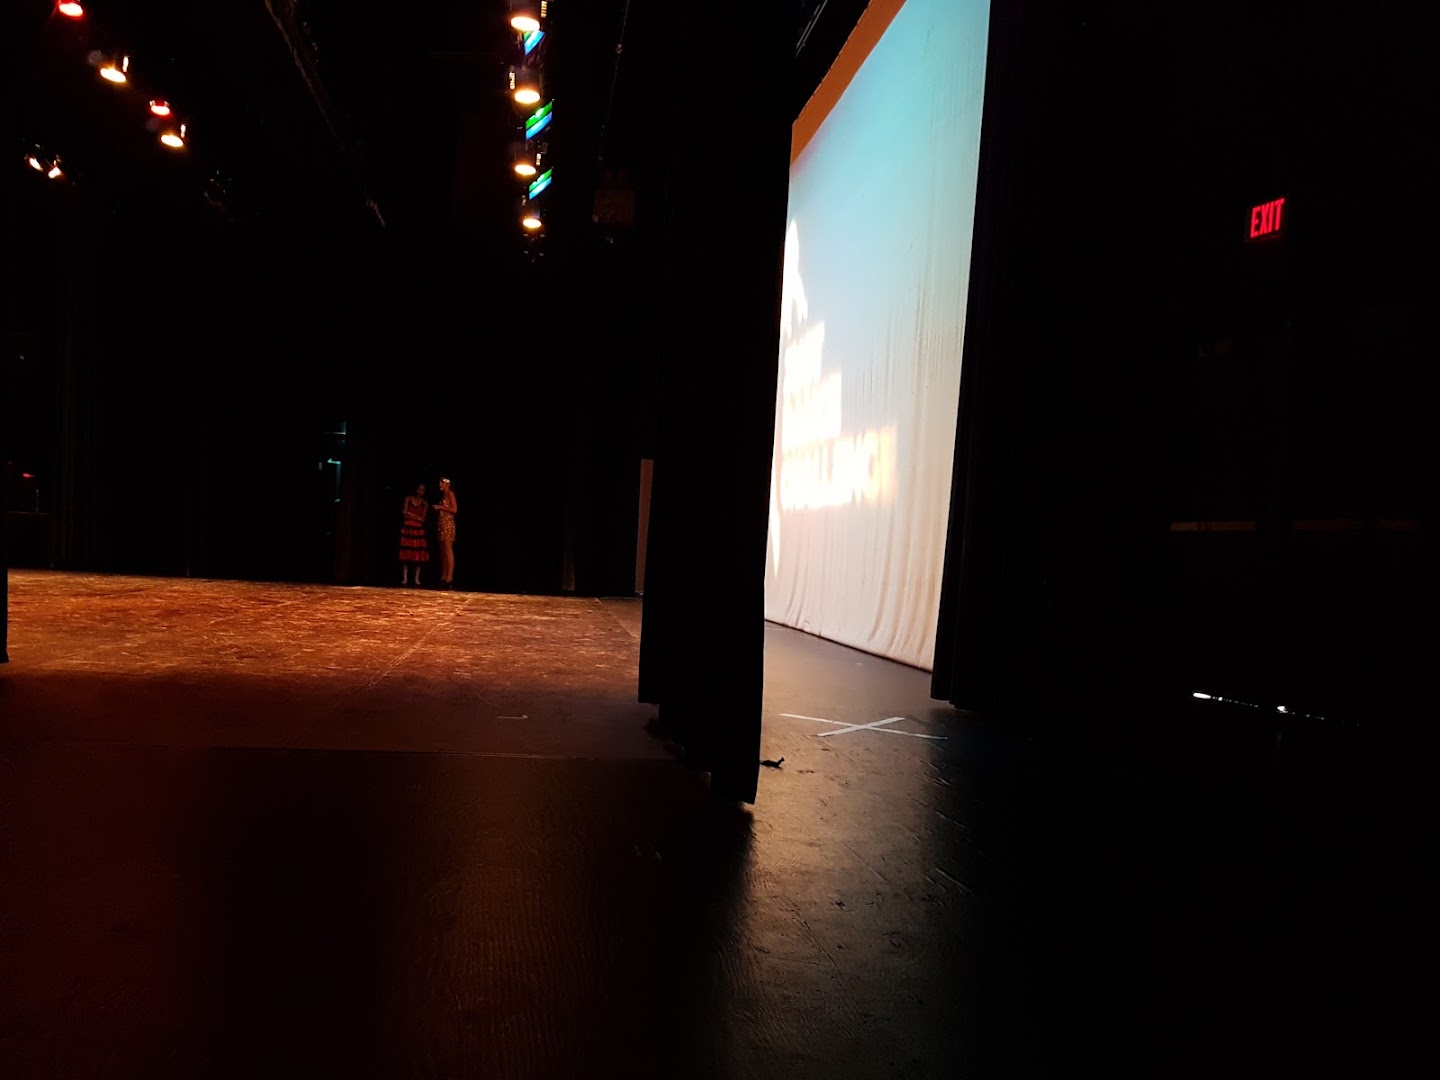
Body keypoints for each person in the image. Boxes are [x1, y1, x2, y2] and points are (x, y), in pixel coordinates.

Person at [398, 482, 429, 586]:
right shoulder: (408, 499)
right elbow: (404, 514)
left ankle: (416, 578)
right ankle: (405, 578)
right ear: (415, 489)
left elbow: (423, 519)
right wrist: (416, 517)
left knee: (418, 555)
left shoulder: (425, 503)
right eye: (419, 489)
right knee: (406, 554)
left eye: (423, 490)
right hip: (408, 528)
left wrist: (411, 514)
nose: (420, 492)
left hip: (418, 529)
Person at [433, 476, 458, 587]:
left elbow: (454, 509)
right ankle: (444, 576)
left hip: (448, 525)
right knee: (443, 551)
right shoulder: (444, 495)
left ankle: (449, 577)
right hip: (442, 525)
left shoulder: (450, 493)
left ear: (447, 484)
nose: (440, 484)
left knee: (448, 549)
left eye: (442, 482)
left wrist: (440, 507)